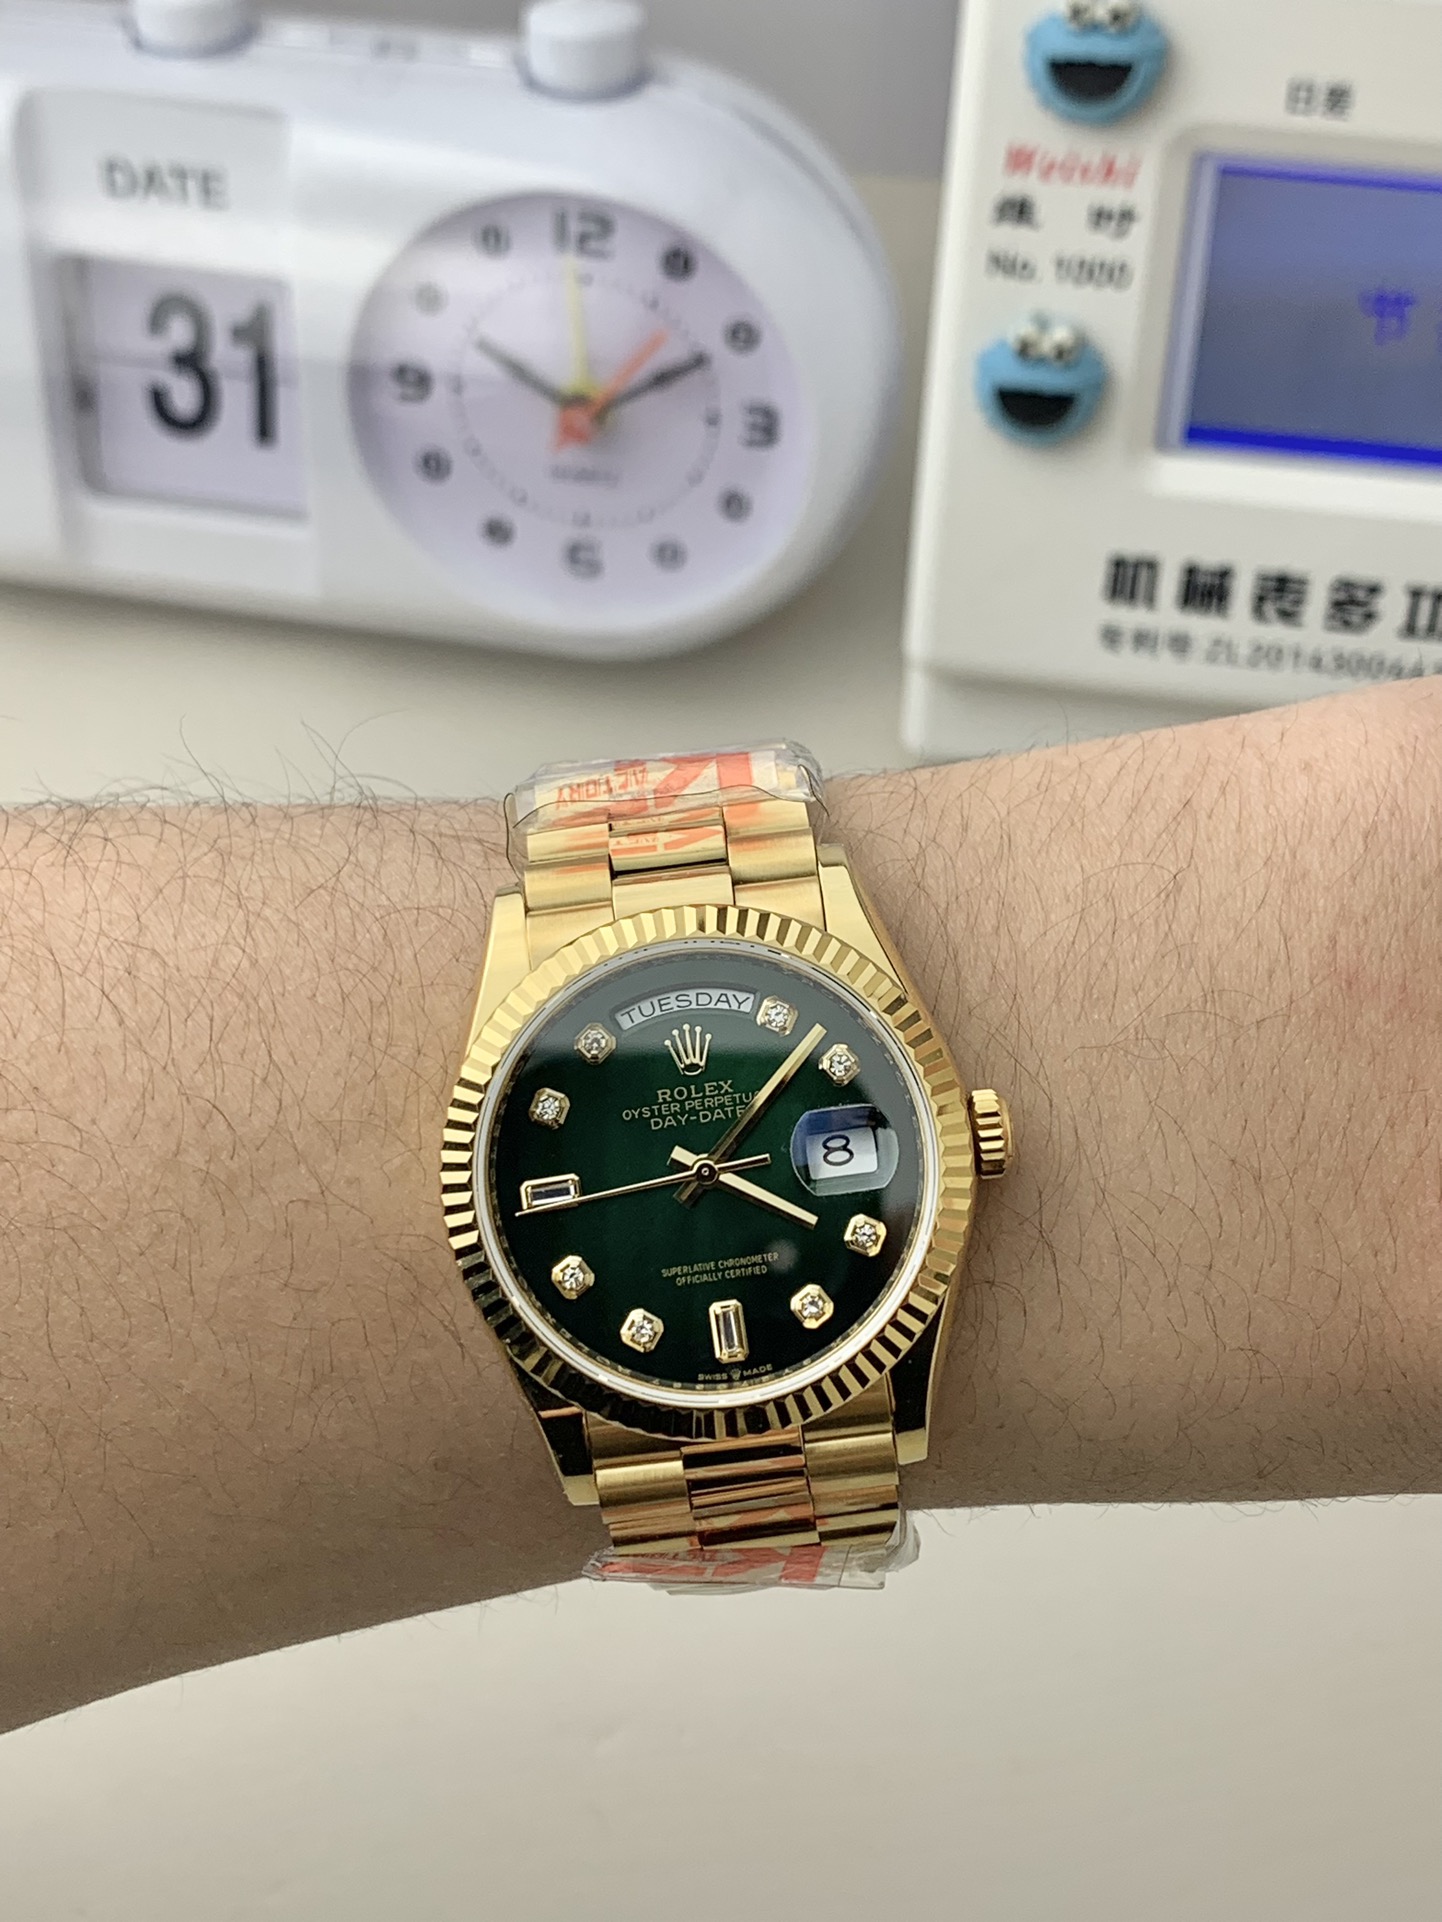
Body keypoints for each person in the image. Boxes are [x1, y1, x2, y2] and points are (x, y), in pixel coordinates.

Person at [0, 680, 1436, 1733]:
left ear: (969, 1131)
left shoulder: (869, 1095)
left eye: (711, 1166)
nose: (697, 1175)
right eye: (689, 1168)